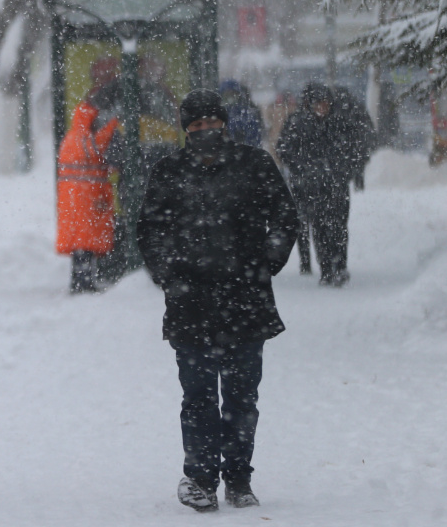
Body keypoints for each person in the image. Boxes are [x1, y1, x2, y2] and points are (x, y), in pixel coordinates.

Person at [137, 89, 299, 513]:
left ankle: (240, 479)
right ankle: (200, 478)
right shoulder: (169, 171)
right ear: (185, 130)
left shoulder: (254, 165)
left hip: (245, 300)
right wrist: (168, 272)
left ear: (224, 124)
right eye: (196, 126)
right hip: (190, 304)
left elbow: (284, 216)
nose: (205, 131)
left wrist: (268, 261)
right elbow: (150, 229)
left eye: (212, 123)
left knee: (243, 396)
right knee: (198, 396)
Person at [275, 83, 375, 286]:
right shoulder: (297, 124)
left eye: (325, 104)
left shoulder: (340, 122)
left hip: (337, 186)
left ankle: (340, 267)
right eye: (318, 104)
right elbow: (284, 150)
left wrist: (345, 170)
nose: (322, 108)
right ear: (309, 105)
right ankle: (327, 268)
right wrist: (305, 170)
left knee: (339, 227)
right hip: (311, 189)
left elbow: (356, 148)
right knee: (319, 228)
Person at [56, 83, 121, 293]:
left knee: (80, 241)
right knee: (86, 241)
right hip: (87, 195)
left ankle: (79, 280)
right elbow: (97, 149)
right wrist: (113, 125)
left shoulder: (72, 136)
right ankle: (84, 282)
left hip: (72, 196)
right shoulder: (87, 137)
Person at [219, 79, 265, 148]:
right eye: (227, 95)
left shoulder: (247, 113)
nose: (230, 97)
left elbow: (255, 137)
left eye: (233, 94)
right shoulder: (218, 112)